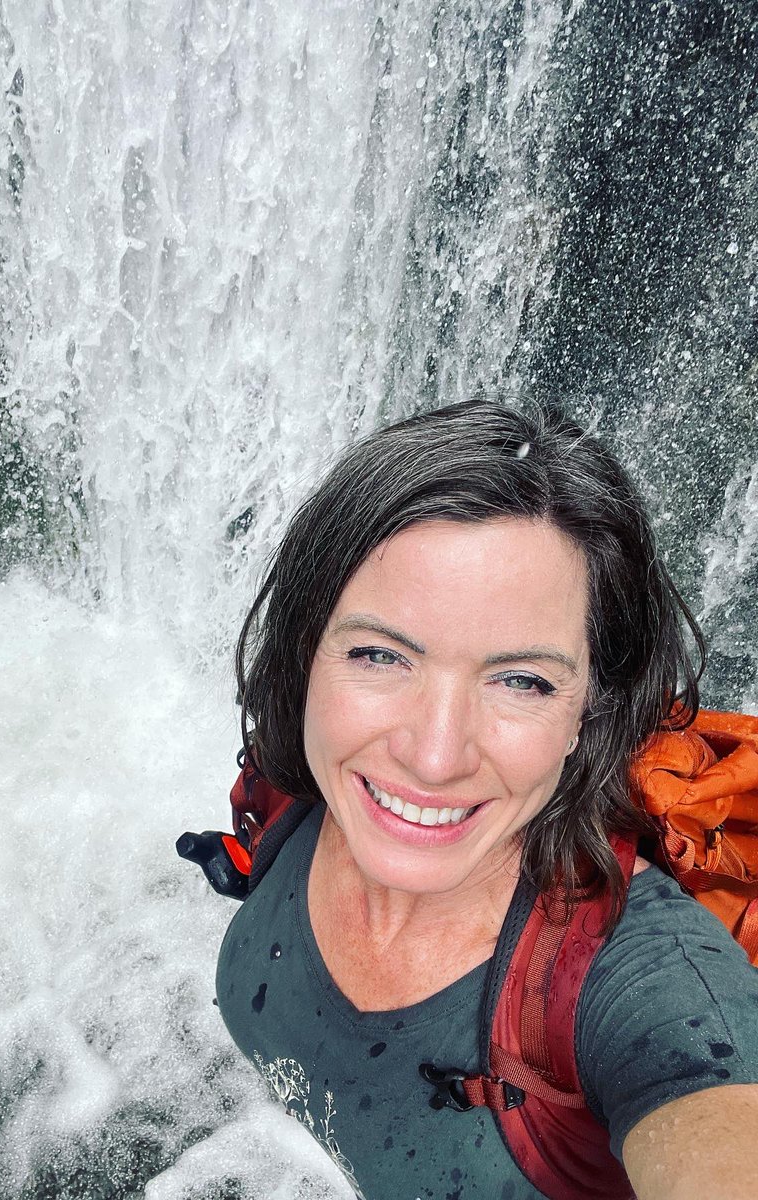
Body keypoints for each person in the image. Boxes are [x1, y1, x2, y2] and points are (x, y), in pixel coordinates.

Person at [213, 400, 758, 1200]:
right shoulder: (298, 787)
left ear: (590, 713)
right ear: (309, 654)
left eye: (522, 681)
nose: (434, 757)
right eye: (379, 655)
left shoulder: (652, 988)